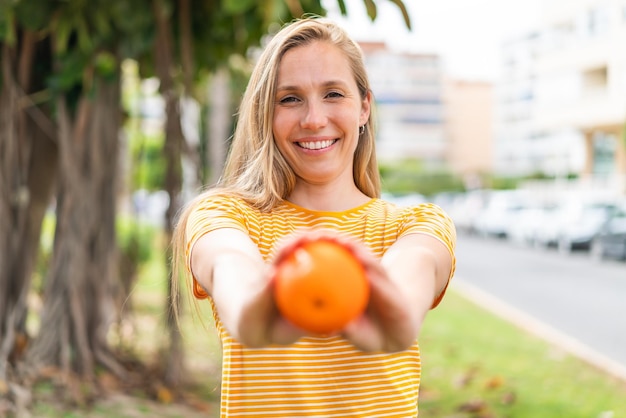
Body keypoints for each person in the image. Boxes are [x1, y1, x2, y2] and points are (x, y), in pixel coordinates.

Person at [171, 16, 456, 417]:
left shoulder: (415, 225)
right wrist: (256, 313)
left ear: (364, 107)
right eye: (290, 99)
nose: (313, 119)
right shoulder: (225, 214)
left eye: (333, 94)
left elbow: (411, 281)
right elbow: (231, 267)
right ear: (265, 115)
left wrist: (394, 318)